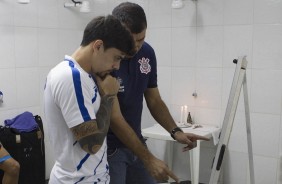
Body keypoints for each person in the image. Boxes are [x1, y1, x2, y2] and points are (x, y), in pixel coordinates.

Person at [107, 2, 210, 184]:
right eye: (133, 41)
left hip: (136, 142)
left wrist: (175, 131)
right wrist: (149, 159)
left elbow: (154, 99)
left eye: (142, 39)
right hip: (111, 148)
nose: (137, 46)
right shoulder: (107, 59)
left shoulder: (147, 53)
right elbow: (115, 119)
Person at [44, 15, 135, 184]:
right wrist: (108, 96)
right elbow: (91, 144)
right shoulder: (71, 77)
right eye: (117, 57)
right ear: (98, 46)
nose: (117, 66)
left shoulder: (85, 75)